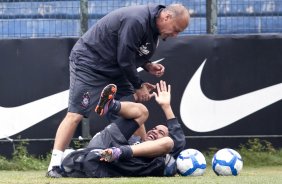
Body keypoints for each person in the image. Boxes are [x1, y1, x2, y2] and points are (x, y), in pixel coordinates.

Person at [47, 3, 190, 177]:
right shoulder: (136, 19)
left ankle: (138, 144)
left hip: (116, 69)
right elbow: (124, 57)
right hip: (90, 63)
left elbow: (132, 54)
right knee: (75, 114)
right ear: (166, 17)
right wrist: (138, 86)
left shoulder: (154, 30)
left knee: (138, 113)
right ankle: (54, 165)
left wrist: (147, 65)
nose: (175, 35)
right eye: (176, 30)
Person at [59, 80, 185, 177]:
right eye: (155, 129)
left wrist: (166, 107)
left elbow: (176, 142)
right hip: (106, 145)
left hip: (107, 158)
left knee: (169, 142)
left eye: (160, 132)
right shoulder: (138, 139)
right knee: (142, 111)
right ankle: (110, 104)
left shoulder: (160, 158)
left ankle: (116, 152)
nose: (154, 131)